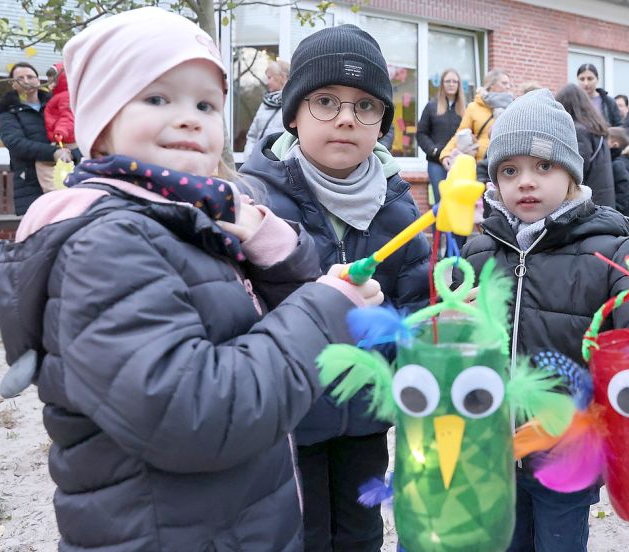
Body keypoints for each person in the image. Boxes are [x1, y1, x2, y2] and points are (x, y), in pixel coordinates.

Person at [0, 8, 385, 551]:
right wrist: (328, 308)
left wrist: (270, 246)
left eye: (206, 104)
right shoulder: (105, 244)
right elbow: (199, 411)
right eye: (157, 98)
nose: (190, 118)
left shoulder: (189, 220)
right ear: (100, 122)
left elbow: (255, 330)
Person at [456, 89, 629, 552]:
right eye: (509, 170)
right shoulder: (480, 249)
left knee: (560, 543)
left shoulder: (608, 247)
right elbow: (449, 327)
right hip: (494, 444)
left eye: (543, 167)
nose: (525, 182)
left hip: (567, 448)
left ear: (571, 175)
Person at [238, 25, 430, 552]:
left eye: (366, 106)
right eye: (326, 101)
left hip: (366, 415)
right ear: (293, 113)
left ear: (381, 125)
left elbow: (413, 310)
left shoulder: (398, 207)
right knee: (301, 535)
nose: (347, 117)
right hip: (289, 420)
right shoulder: (254, 201)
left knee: (360, 532)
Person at [0, 62, 75, 215]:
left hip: (65, 174)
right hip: (30, 184)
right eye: (20, 78)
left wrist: (74, 153)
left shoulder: (56, 104)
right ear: (13, 84)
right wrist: (53, 152)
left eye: (31, 76)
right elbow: (15, 143)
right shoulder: (8, 113)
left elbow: (73, 131)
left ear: (38, 81)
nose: (26, 81)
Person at [555, 83, 616, 208]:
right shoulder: (595, 128)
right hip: (601, 200)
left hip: (589, 203)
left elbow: (577, 170)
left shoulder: (578, 131)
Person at [440, 69, 513, 166]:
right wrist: (446, 154)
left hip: (505, 161)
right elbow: (460, 134)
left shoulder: (513, 107)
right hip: (481, 164)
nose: (508, 87)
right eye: (504, 83)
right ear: (492, 85)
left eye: (509, 84)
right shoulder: (474, 107)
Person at [417, 68, 465, 202]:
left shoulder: (465, 109)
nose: (451, 84)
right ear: (442, 84)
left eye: (454, 81)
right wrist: (434, 150)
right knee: (441, 202)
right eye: (448, 81)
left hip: (458, 163)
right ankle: (438, 224)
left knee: (456, 202)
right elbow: (421, 134)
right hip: (436, 163)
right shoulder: (431, 106)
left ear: (459, 85)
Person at [34, 62, 76, 193]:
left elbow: (68, 116)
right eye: (49, 82)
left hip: (65, 139)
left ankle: (56, 192)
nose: (50, 85)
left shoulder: (64, 97)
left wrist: (61, 131)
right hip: (63, 138)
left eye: (53, 82)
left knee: (44, 163)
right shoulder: (60, 96)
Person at [244, 59, 290, 157]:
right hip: (259, 164)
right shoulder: (265, 104)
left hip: (280, 166)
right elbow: (252, 135)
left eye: (269, 78)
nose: (266, 82)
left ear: (281, 77)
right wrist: (249, 157)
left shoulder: (292, 103)